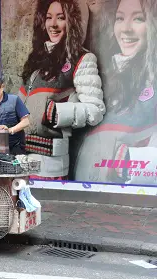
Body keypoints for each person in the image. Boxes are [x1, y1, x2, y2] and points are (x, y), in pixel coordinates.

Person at [18, 0, 105, 179]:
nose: (53, 24)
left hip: (51, 163)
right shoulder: (36, 59)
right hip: (23, 157)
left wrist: (56, 113)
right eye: (49, 18)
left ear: (73, 22)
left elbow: (95, 110)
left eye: (61, 18)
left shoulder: (82, 59)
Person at [73, 0, 157, 184]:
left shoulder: (152, 77)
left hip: (131, 195)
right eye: (120, 18)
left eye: (138, 19)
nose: (126, 29)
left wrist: (130, 161)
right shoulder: (105, 70)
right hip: (87, 190)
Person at [0, 75, 30, 155]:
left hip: (16, 146)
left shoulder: (14, 100)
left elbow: (26, 121)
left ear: (2, 87)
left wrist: (9, 130)